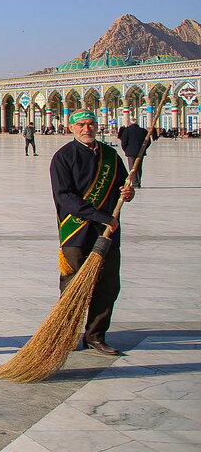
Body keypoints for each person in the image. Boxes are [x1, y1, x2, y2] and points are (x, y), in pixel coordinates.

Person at [50, 109, 134, 355]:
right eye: (81, 125)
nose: (87, 129)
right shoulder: (63, 157)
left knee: (108, 286)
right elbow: (64, 197)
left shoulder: (111, 156)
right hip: (76, 232)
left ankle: (95, 335)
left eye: (91, 124)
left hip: (107, 231)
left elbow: (123, 185)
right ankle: (64, 335)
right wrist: (99, 216)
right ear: (71, 127)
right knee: (74, 286)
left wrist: (128, 194)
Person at [117, 118, 149, 186]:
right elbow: (148, 142)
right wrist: (143, 149)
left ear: (130, 123)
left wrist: (126, 150)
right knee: (139, 167)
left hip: (130, 152)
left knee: (132, 167)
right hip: (140, 151)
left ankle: (134, 182)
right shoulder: (143, 131)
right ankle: (139, 181)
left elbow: (124, 142)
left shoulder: (127, 131)